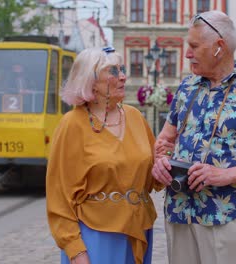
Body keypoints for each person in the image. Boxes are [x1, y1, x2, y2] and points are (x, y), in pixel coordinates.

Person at [152, 11, 236, 264]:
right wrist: (160, 161)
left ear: (219, 47)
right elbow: (164, 141)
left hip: (228, 215)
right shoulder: (186, 87)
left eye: (194, 46)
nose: (187, 54)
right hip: (180, 213)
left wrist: (223, 175)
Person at [46, 47, 162, 264]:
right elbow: (59, 196)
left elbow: (154, 176)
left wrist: (167, 166)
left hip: (138, 229)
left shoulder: (135, 117)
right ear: (90, 81)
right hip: (95, 234)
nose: (123, 76)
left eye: (122, 69)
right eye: (113, 71)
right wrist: (76, 251)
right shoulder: (72, 124)